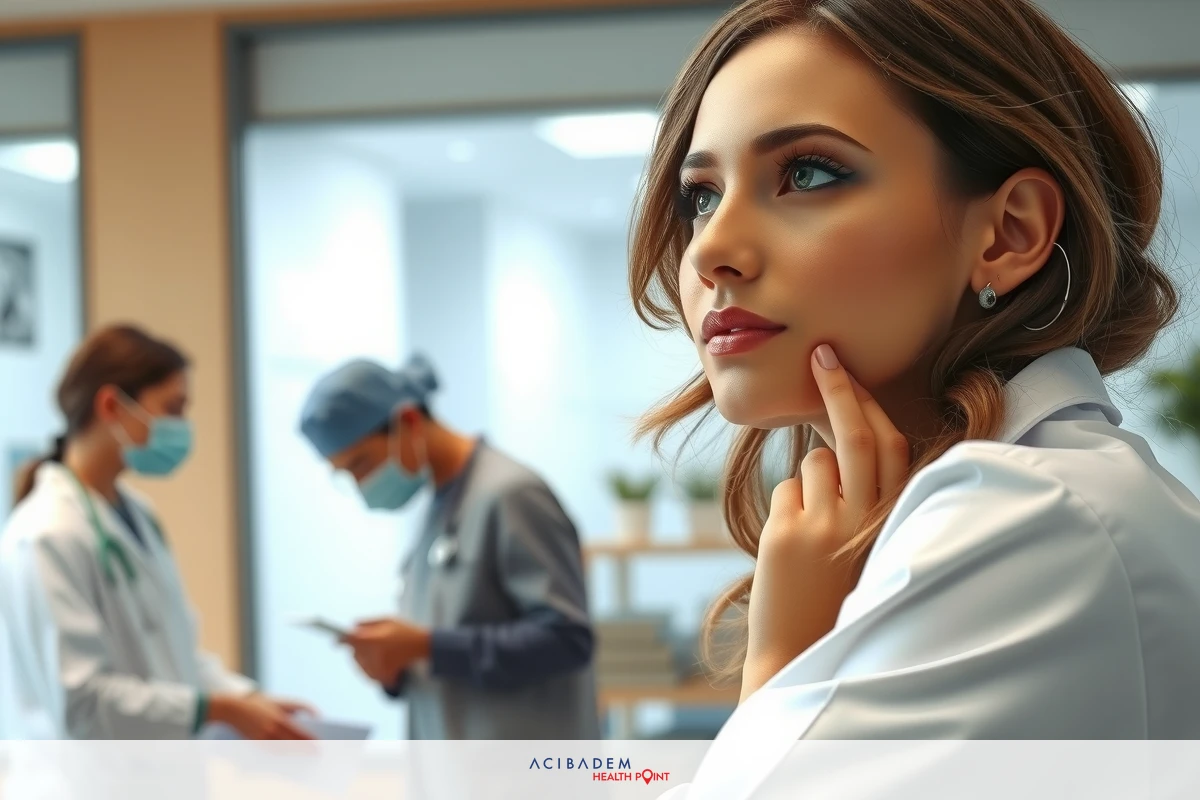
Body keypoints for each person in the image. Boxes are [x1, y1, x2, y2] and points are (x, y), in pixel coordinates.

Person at [626, 0, 1200, 791]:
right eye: (701, 196)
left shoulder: (1021, 518)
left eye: (807, 174)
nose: (713, 249)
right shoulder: (1045, 494)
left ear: (1009, 234)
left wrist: (781, 664)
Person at [0, 324, 313, 740]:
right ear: (112, 405)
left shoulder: (139, 516)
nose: (182, 427)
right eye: (173, 408)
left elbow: (176, 656)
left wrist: (248, 701)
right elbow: (81, 701)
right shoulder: (45, 533)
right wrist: (218, 709)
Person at [299, 354, 599, 739]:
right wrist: (395, 666)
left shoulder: (510, 494)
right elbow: (451, 643)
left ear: (408, 421)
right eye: (346, 474)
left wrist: (427, 646)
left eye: (360, 464)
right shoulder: (438, 508)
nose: (360, 484)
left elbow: (567, 640)